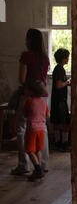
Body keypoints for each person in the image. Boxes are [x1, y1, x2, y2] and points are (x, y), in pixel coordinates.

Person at [11, 29, 50, 176]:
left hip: (28, 95)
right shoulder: (45, 58)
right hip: (43, 96)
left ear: (29, 40)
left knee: (21, 128)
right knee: (42, 127)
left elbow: (22, 79)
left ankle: (24, 164)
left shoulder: (26, 56)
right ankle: (43, 163)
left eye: (26, 38)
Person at [24, 81, 50, 181]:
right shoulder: (43, 102)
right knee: (38, 150)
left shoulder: (29, 101)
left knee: (29, 150)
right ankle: (37, 171)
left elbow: (25, 114)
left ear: (31, 91)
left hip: (32, 129)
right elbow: (48, 115)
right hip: (42, 129)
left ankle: (38, 169)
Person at [50, 48, 71, 152]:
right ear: (63, 58)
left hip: (57, 100)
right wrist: (67, 83)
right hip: (60, 101)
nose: (68, 59)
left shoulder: (58, 68)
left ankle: (58, 143)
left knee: (57, 123)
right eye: (67, 56)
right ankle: (64, 144)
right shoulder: (59, 69)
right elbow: (59, 85)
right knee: (65, 123)